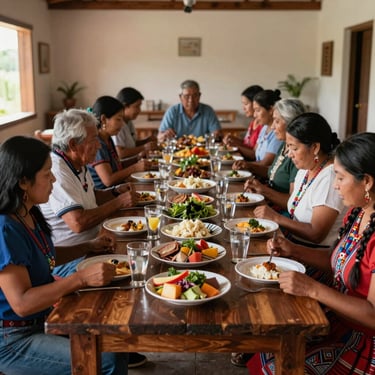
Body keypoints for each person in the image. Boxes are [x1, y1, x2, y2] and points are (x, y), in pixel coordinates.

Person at [247, 132, 375, 374]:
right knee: (267, 343)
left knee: (280, 364)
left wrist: (312, 288)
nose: (335, 184)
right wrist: (293, 249)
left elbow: (373, 315)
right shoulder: (358, 213)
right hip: (338, 319)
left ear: (366, 181)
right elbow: (339, 260)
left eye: (340, 177)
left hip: (366, 342)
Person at [0, 136, 128, 375]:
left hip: (43, 318)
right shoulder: (5, 228)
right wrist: (80, 279)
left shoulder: (28, 211)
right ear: (24, 182)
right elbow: (22, 304)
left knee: (114, 339)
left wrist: (89, 246)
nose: (54, 179)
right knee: (106, 359)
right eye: (47, 174)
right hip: (12, 338)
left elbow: (42, 255)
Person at [39, 109, 147, 368]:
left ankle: (120, 341)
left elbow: (91, 195)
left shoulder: (76, 163)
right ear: (74, 144)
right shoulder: (58, 171)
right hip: (70, 258)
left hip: (92, 245)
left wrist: (113, 192)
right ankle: (114, 342)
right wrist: (120, 202)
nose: (98, 145)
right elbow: (78, 222)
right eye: (93, 140)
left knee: (139, 261)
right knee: (132, 275)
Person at [253, 112, 344, 247]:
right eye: (288, 147)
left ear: (315, 147)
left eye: (294, 148)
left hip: (313, 254)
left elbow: (316, 234)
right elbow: (293, 204)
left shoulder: (329, 178)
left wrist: (276, 217)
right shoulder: (305, 170)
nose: (289, 154)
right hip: (291, 242)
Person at [243, 98, 306, 213]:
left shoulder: (297, 155)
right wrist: (249, 166)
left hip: (280, 215)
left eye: (276, 121)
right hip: (268, 206)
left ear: (290, 123)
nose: (272, 127)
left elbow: (292, 203)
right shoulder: (284, 145)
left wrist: (263, 190)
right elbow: (273, 171)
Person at [88, 96, 152, 189]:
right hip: (106, 197)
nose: (122, 124)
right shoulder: (98, 143)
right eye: (118, 119)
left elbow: (117, 166)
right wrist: (135, 168)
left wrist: (137, 158)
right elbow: (108, 180)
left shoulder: (107, 138)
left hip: (118, 189)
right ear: (104, 119)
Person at [232, 89, 283, 168]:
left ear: (271, 110)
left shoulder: (278, 133)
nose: (255, 115)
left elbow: (265, 163)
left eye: (258, 110)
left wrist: (246, 164)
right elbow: (254, 153)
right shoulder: (264, 128)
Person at [157, 79, 222, 143]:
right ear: (180, 97)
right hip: (177, 151)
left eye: (195, 96)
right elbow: (159, 137)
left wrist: (216, 135)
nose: (191, 100)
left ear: (199, 96)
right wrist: (164, 135)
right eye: (187, 96)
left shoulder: (208, 111)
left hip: (202, 151)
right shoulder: (172, 111)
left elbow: (216, 133)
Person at [112, 87, 157, 161]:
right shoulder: (117, 125)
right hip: (126, 166)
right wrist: (144, 147)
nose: (139, 110)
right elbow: (120, 153)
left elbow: (132, 144)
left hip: (135, 161)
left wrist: (147, 140)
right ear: (125, 106)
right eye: (137, 106)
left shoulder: (129, 121)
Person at [223, 84, 263, 159]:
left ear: (256, 104)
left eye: (246, 104)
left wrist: (235, 146)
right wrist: (233, 139)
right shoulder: (253, 123)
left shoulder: (263, 126)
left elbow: (254, 153)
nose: (243, 108)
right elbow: (247, 144)